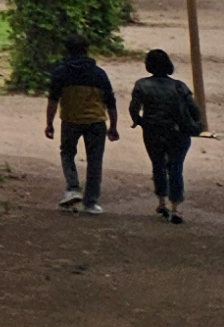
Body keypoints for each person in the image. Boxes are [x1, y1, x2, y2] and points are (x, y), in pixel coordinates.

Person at [44, 35, 121, 214]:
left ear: (67, 51)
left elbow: (53, 101)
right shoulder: (99, 74)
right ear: (87, 50)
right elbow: (111, 103)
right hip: (96, 121)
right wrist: (114, 127)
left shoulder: (60, 73)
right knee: (95, 160)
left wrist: (49, 123)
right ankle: (91, 201)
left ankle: (72, 188)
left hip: (70, 120)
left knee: (68, 153)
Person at [132, 47, 204, 224]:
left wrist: (140, 121)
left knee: (158, 164)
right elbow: (195, 110)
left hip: (153, 130)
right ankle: (176, 208)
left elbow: (134, 108)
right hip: (177, 131)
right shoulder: (180, 86)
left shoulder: (141, 85)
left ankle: (161, 201)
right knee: (176, 167)